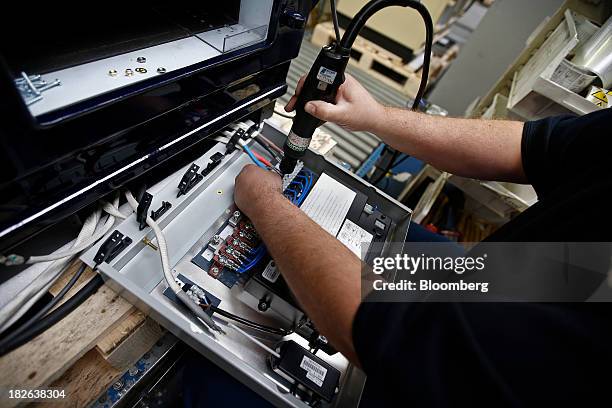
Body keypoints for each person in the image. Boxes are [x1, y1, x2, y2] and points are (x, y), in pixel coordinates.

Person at [233, 74, 612, 406]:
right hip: (522, 277)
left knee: (210, 381)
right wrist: (376, 118)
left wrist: (268, 206)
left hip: (495, 363)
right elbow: (533, 147)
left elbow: (398, 328)